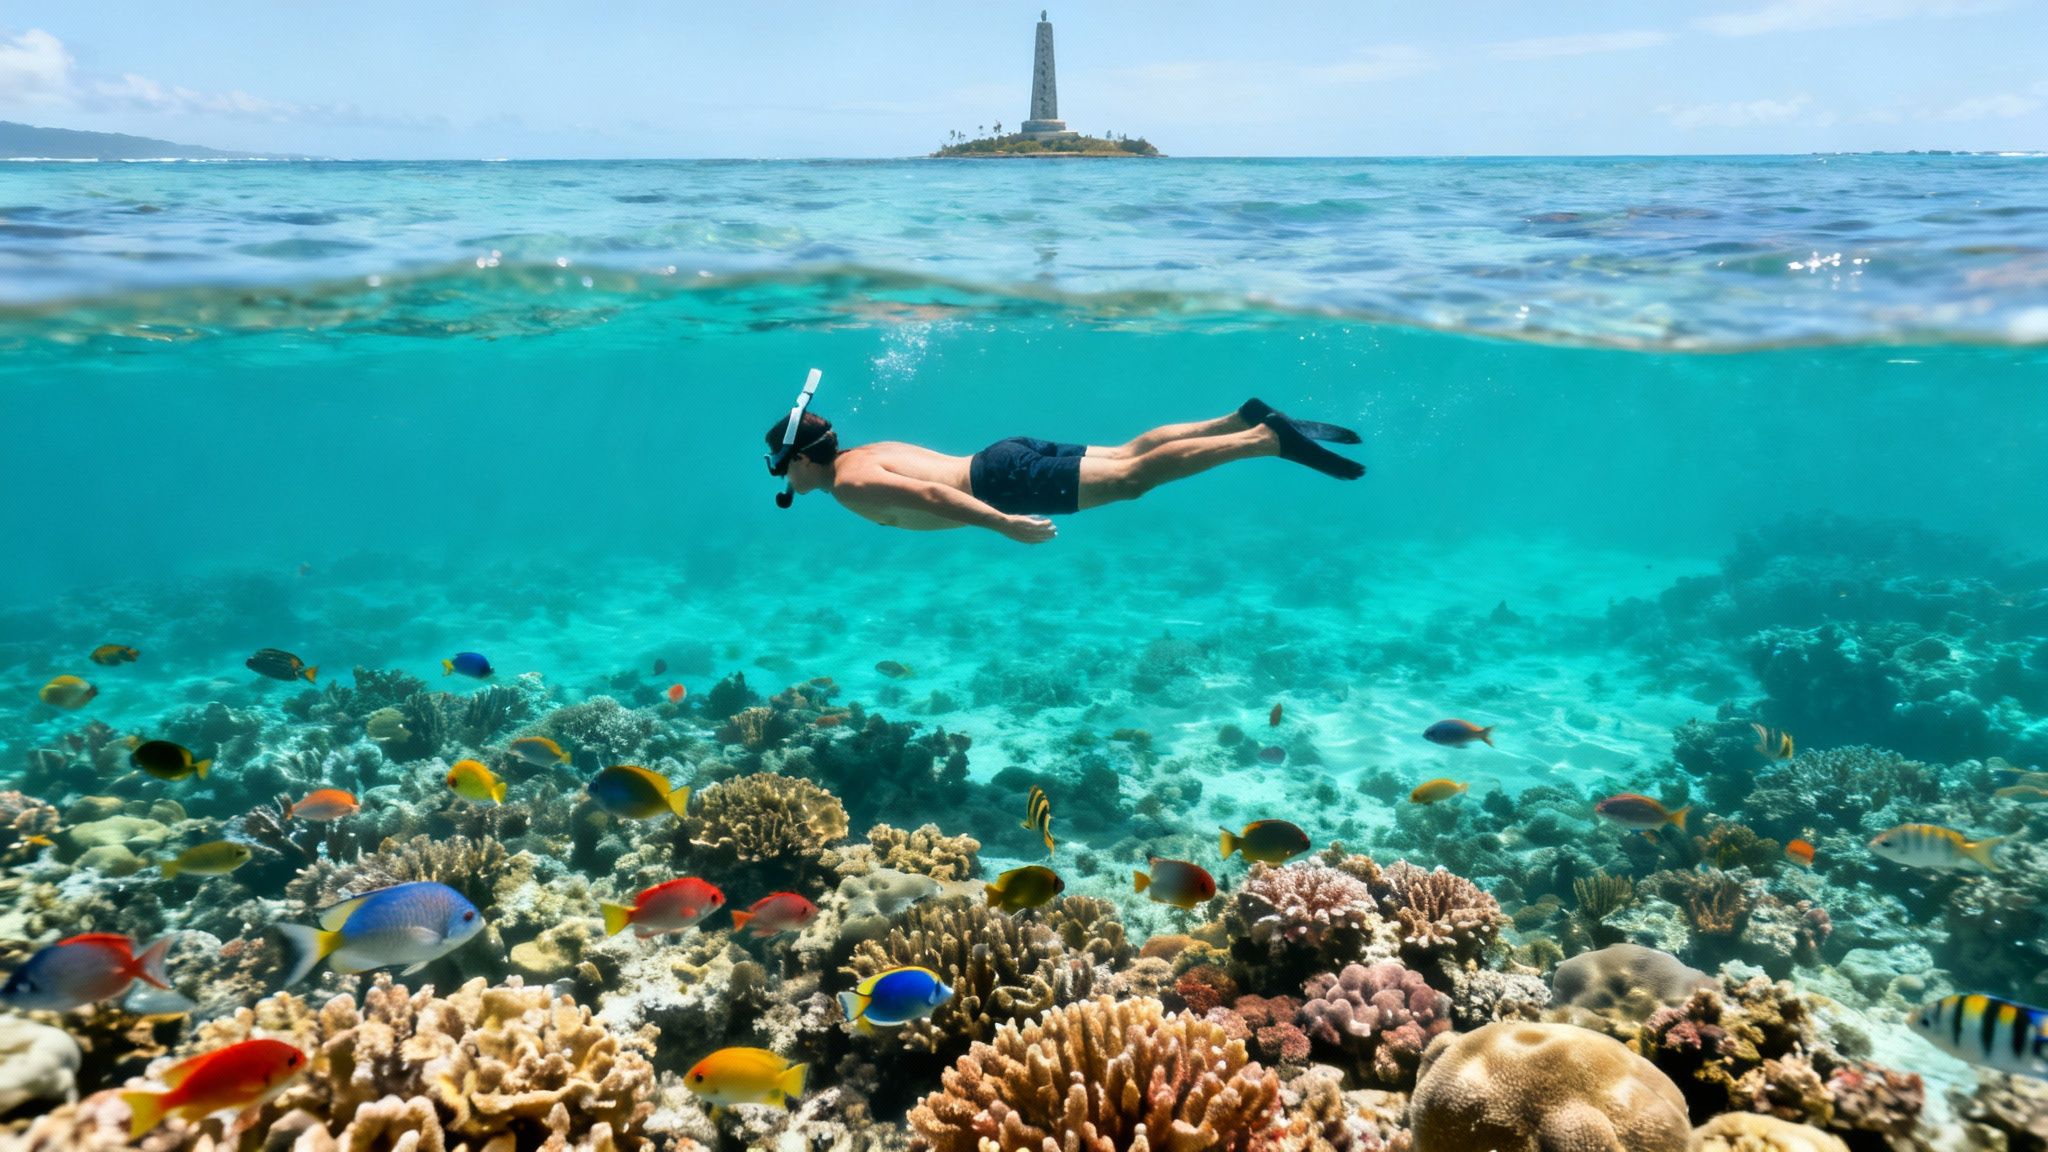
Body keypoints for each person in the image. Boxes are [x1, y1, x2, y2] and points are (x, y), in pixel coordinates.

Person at [763, 398, 1363, 544]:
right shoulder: (864, 451)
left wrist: (1004, 524)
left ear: (800, 458)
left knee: (1133, 480)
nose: (782, 479)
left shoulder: (851, 483)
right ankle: (1238, 417)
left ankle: (1262, 439)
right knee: (1131, 452)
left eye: (780, 467)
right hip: (1000, 453)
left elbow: (928, 494)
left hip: (999, 482)